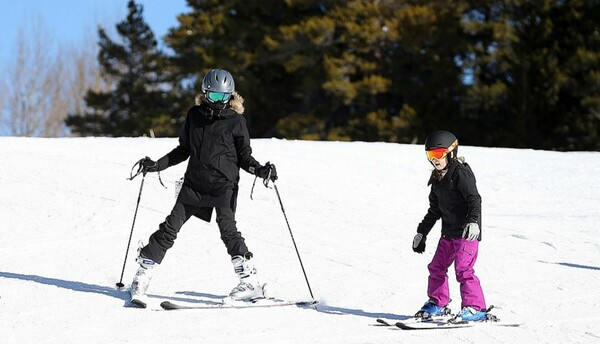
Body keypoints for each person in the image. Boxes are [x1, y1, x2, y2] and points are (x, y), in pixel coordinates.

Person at [129, 69, 277, 308]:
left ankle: (249, 281)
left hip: (223, 186)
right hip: (194, 185)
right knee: (170, 227)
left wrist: (260, 171)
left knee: (228, 229)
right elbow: (182, 150)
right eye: (214, 96)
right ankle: (142, 275)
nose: (219, 102)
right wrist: (157, 166)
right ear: (205, 93)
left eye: (224, 97)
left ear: (231, 96)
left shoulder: (236, 122)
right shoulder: (194, 116)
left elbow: (244, 157)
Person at [411, 130, 488, 323]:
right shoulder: (437, 180)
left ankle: (475, 308)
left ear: (451, 153)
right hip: (448, 234)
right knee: (436, 267)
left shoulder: (460, 174)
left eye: (438, 154)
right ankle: (438, 302)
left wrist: (473, 222)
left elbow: (474, 199)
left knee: (464, 270)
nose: (435, 160)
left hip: (466, 233)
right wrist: (422, 232)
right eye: (431, 155)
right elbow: (434, 210)